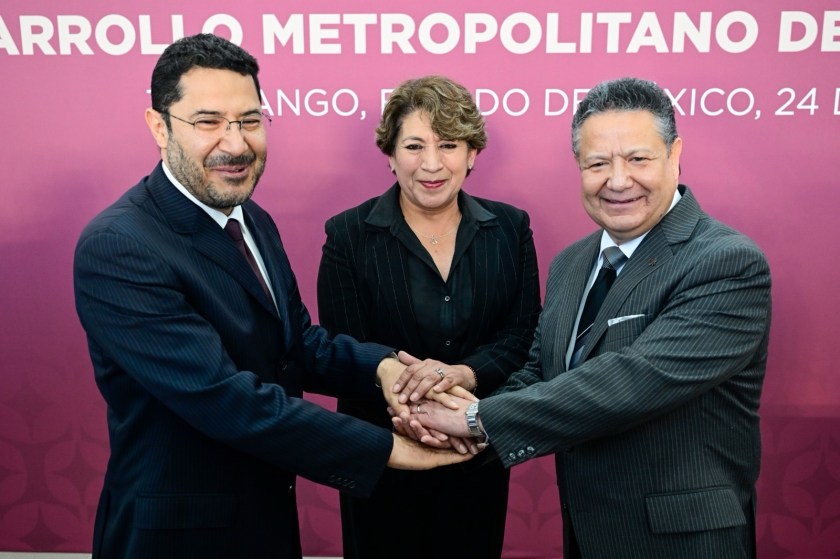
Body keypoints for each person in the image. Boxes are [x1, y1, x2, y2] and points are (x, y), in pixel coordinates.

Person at [73, 34, 472, 559]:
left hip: (266, 518)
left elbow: (297, 344)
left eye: (250, 120)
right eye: (209, 121)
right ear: (159, 125)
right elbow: (223, 398)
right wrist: (391, 449)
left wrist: (387, 371)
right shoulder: (120, 245)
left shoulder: (252, 218)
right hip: (178, 536)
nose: (236, 143)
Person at [397, 77, 772, 558]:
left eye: (637, 159)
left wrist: (474, 418)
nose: (617, 181)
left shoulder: (726, 262)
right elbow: (539, 372)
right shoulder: (572, 264)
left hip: (683, 541)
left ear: (674, 155)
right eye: (597, 164)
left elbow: (633, 380)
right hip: (588, 533)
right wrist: (452, 420)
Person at [316, 75, 541, 558]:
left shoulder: (511, 228)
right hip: (384, 455)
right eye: (414, 146)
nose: (432, 164)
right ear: (390, 155)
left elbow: (523, 335)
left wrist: (462, 375)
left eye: (449, 145)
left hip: (475, 452)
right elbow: (342, 350)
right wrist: (414, 415)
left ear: (472, 153)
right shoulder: (348, 235)